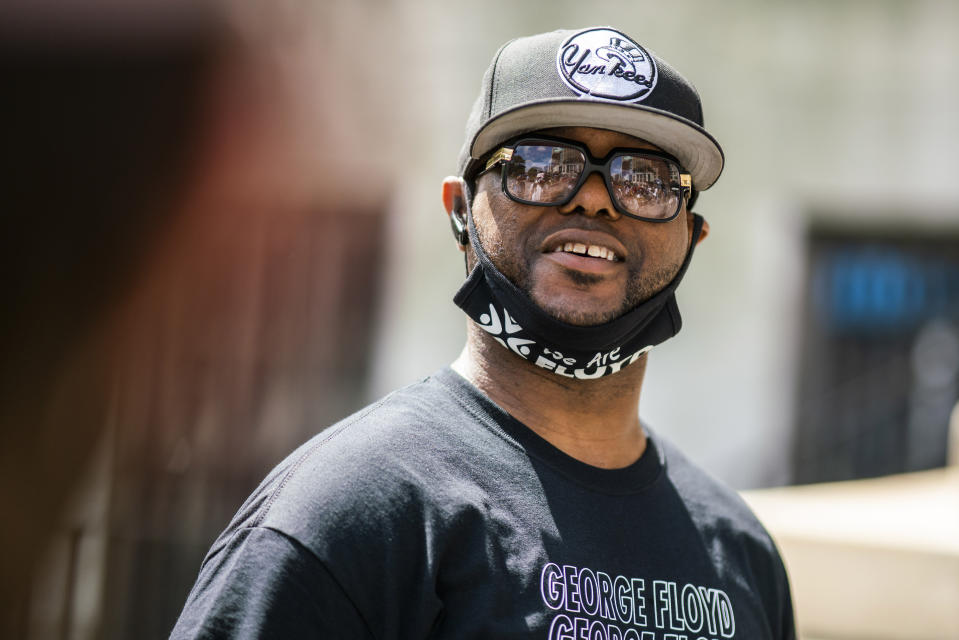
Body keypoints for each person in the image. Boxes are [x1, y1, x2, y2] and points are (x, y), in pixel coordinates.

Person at [171, 26, 795, 639]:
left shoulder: (740, 550)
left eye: (646, 179)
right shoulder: (349, 514)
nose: (596, 201)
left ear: (694, 236)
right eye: (542, 164)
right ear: (460, 210)